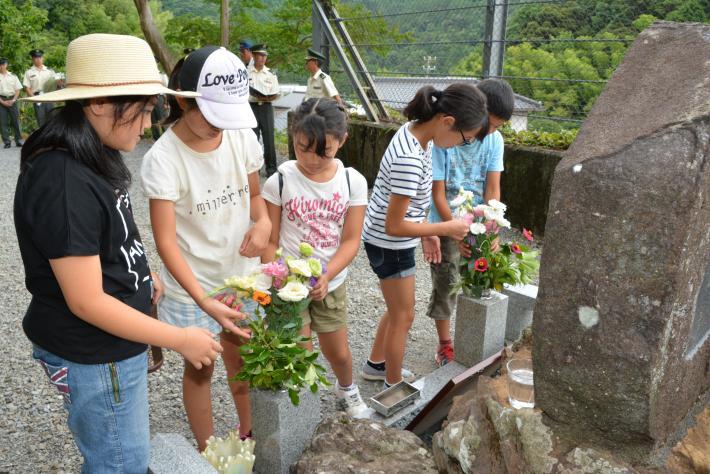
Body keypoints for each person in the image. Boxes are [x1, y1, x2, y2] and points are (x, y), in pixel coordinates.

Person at [13, 33, 222, 472]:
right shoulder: (65, 178)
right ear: (101, 104)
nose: (149, 124)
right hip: (97, 352)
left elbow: (108, 236)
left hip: (112, 345)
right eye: (144, 109)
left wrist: (144, 274)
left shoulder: (93, 152)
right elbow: (86, 300)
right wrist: (181, 338)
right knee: (119, 462)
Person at [141, 45, 271, 451]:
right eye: (211, 116)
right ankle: (208, 449)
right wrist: (202, 298)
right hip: (191, 286)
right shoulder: (163, 159)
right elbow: (165, 241)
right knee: (200, 367)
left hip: (240, 275)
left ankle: (249, 433)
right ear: (182, 100)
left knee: (244, 355)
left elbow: (255, 197)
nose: (219, 127)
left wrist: (264, 222)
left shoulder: (240, 137)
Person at [360, 84, 488, 388]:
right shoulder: (410, 158)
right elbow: (395, 225)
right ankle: (393, 388)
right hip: (389, 242)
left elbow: (410, 206)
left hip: (387, 238)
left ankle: (376, 365)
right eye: (465, 138)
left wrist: (425, 234)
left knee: (397, 310)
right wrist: (443, 228)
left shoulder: (418, 134)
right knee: (404, 317)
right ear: (448, 122)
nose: (461, 145)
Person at [262, 98, 371, 418]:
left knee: (337, 351)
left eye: (323, 152)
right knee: (300, 352)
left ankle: (347, 388)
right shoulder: (279, 181)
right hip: (287, 285)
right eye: (301, 148)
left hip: (331, 281)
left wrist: (326, 273)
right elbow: (270, 239)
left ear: (342, 141)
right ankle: (303, 413)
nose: (311, 159)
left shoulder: (352, 181)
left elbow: (351, 240)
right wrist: (281, 276)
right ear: (292, 136)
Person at [425, 78, 515, 366]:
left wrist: (492, 227)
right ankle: (445, 345)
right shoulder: (444, 139)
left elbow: (492, 189)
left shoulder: (495, 140)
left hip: (477, 224)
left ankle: (472, 339)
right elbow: (437, 193)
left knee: (478, 280)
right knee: (446, 282)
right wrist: (456, 232)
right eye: (490, 123)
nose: (492, 131)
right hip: (444, 223)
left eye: (498, 126)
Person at [248, 44, 280, 177]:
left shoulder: (271, 74)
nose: (262, 58)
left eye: (264, 56)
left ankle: (271, 170)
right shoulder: (246, 72)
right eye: (259, 55)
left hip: (266, 108)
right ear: (253, 56)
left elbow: (276, 92)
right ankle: (253, 169)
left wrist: (270, 96)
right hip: (251, 107)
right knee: (252, 139)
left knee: (269, 139)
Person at [23, 49, 56, 127]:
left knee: (51, 118)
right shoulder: (29, 72)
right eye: (36, 58)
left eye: (40, 57)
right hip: (37, 97)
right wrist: (34, 98)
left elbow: (56, 84)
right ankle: (43, 138)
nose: (38, 59)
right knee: (41, 120)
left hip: (49, 96)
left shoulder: (49, 71)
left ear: (43, 58)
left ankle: (52, 138)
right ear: (32, 59)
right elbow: (27, 87)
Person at [0, 57, 23, 147]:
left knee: (16, 121)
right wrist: (2, 102)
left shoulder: (13, 76)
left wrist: (13, 100)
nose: (1, 66)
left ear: (6, 65)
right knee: (3, 122)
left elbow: (17, 89)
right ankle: (7, 142)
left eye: (3, 64)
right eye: (0, 65)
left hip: (13, 99)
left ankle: (19, 140)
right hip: (1, 100)